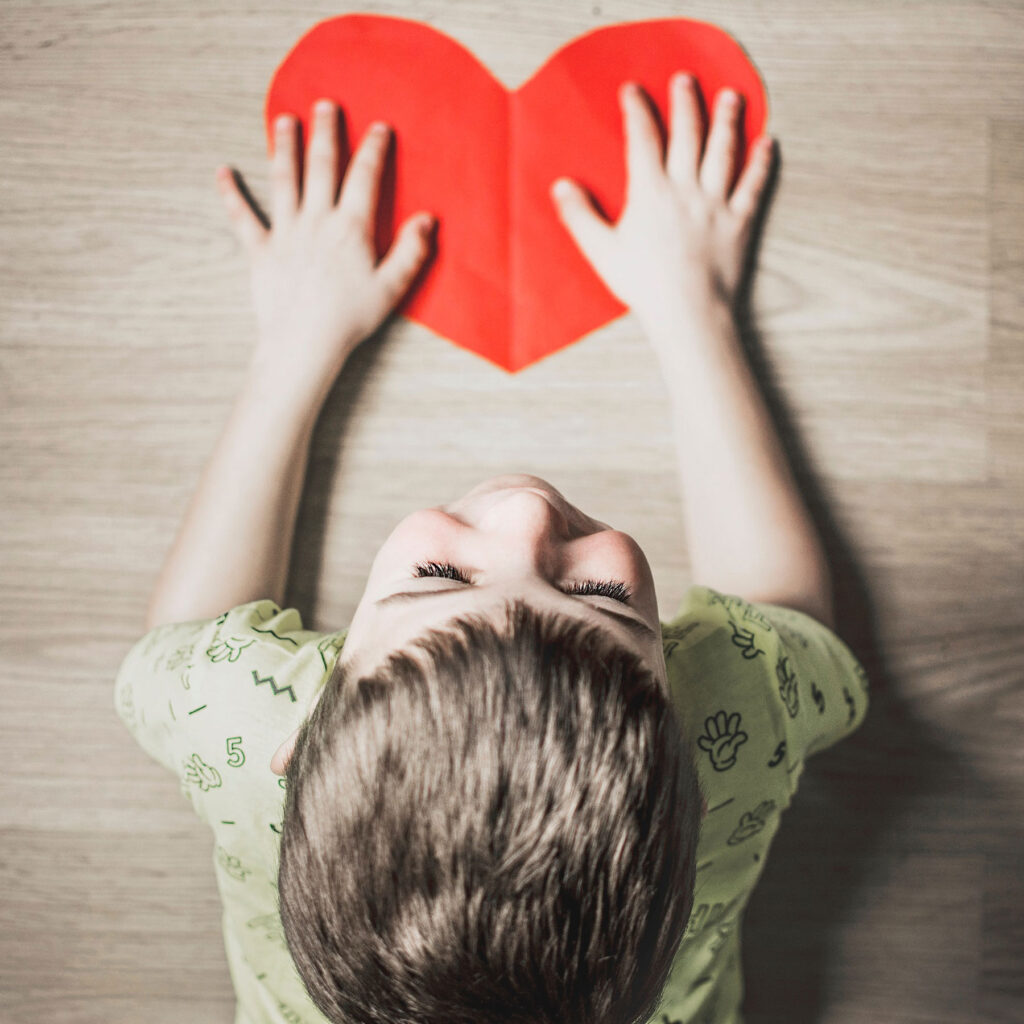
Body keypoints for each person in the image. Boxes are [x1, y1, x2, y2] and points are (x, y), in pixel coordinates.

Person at [114, 73, 869, 1024]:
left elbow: (178, 642)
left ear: (297, 741)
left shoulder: (238, 723)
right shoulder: (729, 729)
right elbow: (792, 621)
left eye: (439, 579)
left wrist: (293, 346)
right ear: (687, 732)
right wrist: (694, 308)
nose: (524, 513)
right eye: (600, 601)